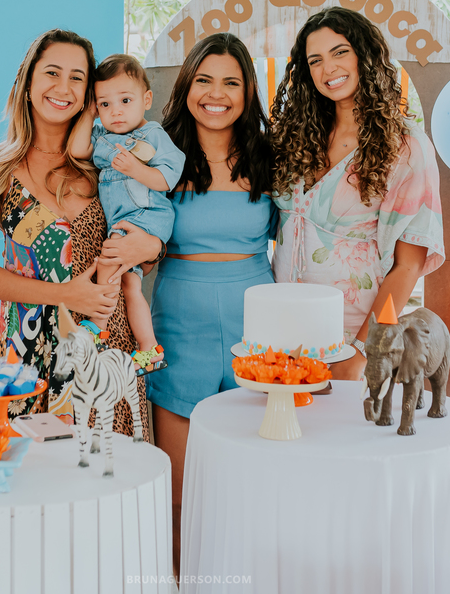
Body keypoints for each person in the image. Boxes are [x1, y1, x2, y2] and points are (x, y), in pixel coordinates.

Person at [0, 28, 162, 435]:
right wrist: (65, 295)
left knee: (106, 483)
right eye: (52, 72)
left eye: (77, 78)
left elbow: (147, 233)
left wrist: (150, 246)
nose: (63, 87)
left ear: (88, 96)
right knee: (34, 486)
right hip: (26, 356)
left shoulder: (106, 161)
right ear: (28, 81)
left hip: (104, 352)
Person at [147, 32, 278, 566]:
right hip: (179, 328)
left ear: (248, 91)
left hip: (258, 331)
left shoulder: (272, 157)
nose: (216, 93)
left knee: (254, 488)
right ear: (186, 87)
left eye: (231, 82)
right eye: (204, 80)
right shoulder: (156, 153)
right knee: (176, 493)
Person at [269, 6, 445, 381]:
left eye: (339, 52)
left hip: (351, 338)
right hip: (282, 332)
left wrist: (364, 349)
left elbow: (408, 265)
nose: (327, 68)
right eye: (314, 60)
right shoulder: (296, 137)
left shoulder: (406, 146)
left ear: (365, 55)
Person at [70, 53, 183, 370]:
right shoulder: (103, 138)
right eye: (104, 104)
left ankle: (96, 326)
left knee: (108, 262)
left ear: (146, 99)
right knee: (131, 285)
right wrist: (89, 114)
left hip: (145, 217)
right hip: (125, 220)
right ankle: (149, 348)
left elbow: (167, 178)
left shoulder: (153, 135)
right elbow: (79, 150)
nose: (115, 111)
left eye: (125, 100)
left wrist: (135, 168)